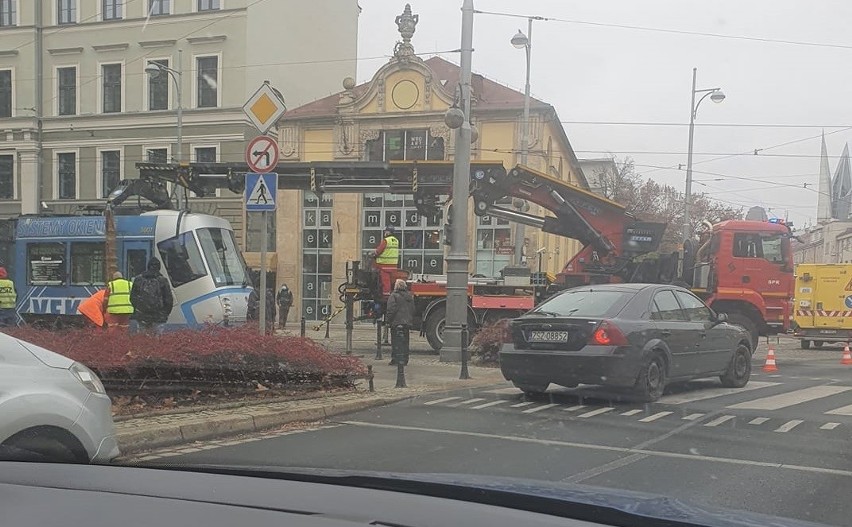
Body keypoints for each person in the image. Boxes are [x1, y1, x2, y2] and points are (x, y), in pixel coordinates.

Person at [130, 259, 173, 334]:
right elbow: (168, 300)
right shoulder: (163, 280)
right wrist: (165, 314)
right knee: (157, 341)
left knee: (143, 339)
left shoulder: (138, 279)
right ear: (159, 267)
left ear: (148, 266)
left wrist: (138, 310)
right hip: (158, 316)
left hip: (142, 315)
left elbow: (132, 298)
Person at [385, 279, 414, 366]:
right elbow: (413, 309)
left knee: (396, 342)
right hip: (406, 322)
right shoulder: (409, 296)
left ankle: (396, 359)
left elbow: (391, 309)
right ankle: (405, 359)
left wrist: (388, 320)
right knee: (405, 342)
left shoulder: (394, 296)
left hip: (396, 322)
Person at [373, 226, 399, 296]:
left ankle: (386, 295)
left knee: (385, 281)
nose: (385, 232)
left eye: (386, 231)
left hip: (384, 265)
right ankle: (390, 293)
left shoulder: (386, 240)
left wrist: (374, 254)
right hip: (393, 265)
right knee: (390, 281)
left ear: (388, 232)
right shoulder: (396, 240)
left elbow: (378, 251)